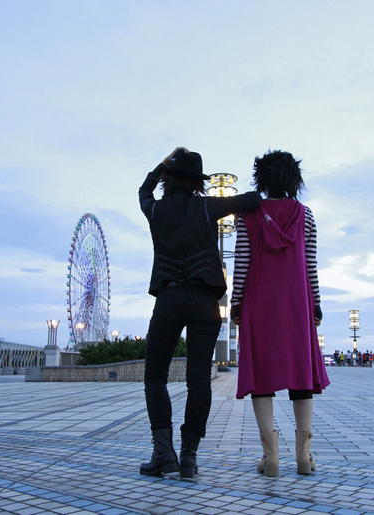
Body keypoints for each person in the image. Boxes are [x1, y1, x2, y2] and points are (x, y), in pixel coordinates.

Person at [138, 147, 262, 477]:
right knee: (198, 380)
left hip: (168, 299)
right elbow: (252, 200)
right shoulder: (208, 206)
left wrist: (161, 164)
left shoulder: (156, 210)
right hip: (205, 302)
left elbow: (143, 191)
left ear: (168, 178)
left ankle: (164, 453)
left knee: (155, 377)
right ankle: (189, 457)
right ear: (197, 182)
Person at [231, 150, 329, 477]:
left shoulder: (248, 217)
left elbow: (241, 264)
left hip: (259, 303)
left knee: (261, 376)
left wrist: (236, 304)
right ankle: (304, 456)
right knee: (301, 375)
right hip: (297, 303)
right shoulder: (306, 216)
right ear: (293, 180)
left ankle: (270, 458)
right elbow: (310, 265)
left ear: (262, 179)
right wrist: (315, 304)